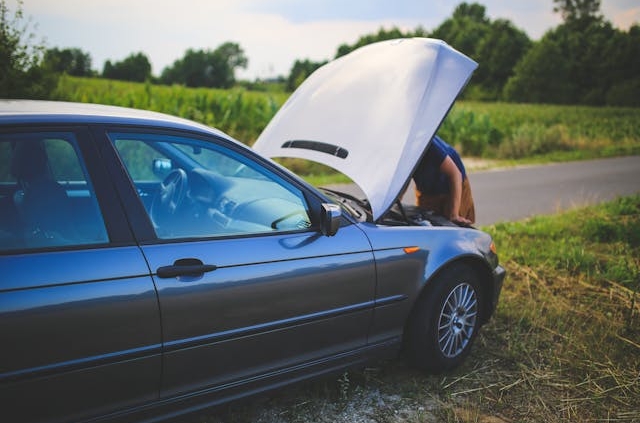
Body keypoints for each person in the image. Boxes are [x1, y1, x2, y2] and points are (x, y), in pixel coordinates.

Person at [412, 135, 475, 225]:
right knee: (426, 225)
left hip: (453, 186)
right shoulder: (397, 149)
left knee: (453, 227)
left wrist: (454, 214)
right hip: (427, 189)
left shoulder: (428, 145)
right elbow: (403, 179)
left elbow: (455, 174)